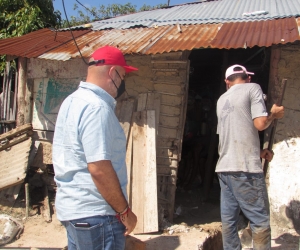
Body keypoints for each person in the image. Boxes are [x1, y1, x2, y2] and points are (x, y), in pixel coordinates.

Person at [52, 45, 138, 250]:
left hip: (74, 212)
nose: (123, 82)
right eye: (123, 75)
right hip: (97, 217)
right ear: (112, 73)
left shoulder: (71, 102)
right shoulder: (96, 108)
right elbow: (99, 168)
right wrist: (125, 212)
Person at [215, 64, 284, 250]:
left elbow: (231, 136)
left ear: (226, 82)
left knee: (229, 222)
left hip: (224, 169)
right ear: (248, 78)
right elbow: (260, 124)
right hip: (245, 170)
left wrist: (259, 152)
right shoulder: (253, 88)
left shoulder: (221, 100)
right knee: (260, 219)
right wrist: (273, 115)